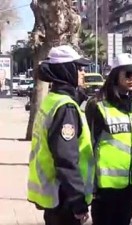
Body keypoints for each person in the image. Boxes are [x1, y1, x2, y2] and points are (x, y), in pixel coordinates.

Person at [27, 45, 94, 225]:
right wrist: (78, 202)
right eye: (78, 68)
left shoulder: (52, 99)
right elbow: (66, 159)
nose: (82, 73)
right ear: (66, 70)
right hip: (64, 196)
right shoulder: (65, 107)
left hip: (55, 193)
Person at [85, 53, 132, 225]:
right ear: (116, 75)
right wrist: (89, 187)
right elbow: (88, 147)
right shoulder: (98, 105)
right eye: (128, 74)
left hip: (131, 187)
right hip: (105, 189)